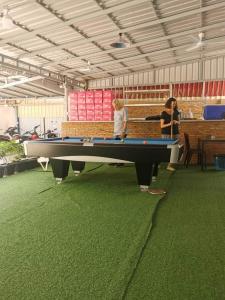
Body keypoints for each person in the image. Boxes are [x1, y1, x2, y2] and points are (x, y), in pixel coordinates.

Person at [160, 97, 180, 171]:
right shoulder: (164, 113)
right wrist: (169, 123)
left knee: (175, 149)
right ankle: (158, 163)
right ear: (169, 103)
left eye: (175, 104)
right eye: (173, 103)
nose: (174, 105)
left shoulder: (176, 112)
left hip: (175, 133)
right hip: (166, 134)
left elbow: (179, 122)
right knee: (166, 150)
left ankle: (170, 165)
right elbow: (161, 126)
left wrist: (176, 122)